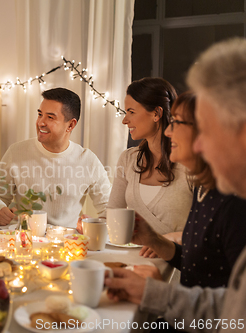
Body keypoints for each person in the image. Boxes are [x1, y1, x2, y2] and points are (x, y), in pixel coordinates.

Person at [104, 38, 246, 332]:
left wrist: (160, 296)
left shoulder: (235, 207)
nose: (170, 131)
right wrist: (156, 245)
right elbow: (227, 300)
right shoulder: (211, 195)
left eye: (202, 127)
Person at [0, 88, 111, 228]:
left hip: (67, 243)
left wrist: (94, 225)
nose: (40, 123)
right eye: (40, 114)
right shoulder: (16, 152)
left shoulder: (88, 160)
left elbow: (109, 207)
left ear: (71, 125)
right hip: (25, 240)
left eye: (50, 117)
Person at [104, 78, 192, 242]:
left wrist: (166, 241)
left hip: (176, 263)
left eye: (131, 112)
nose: (124, 120)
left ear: (156, 113)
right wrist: (92, 225)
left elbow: (204, 233)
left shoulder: (189, 164)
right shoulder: (128, 159)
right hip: (133, 262)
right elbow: (112, 214)